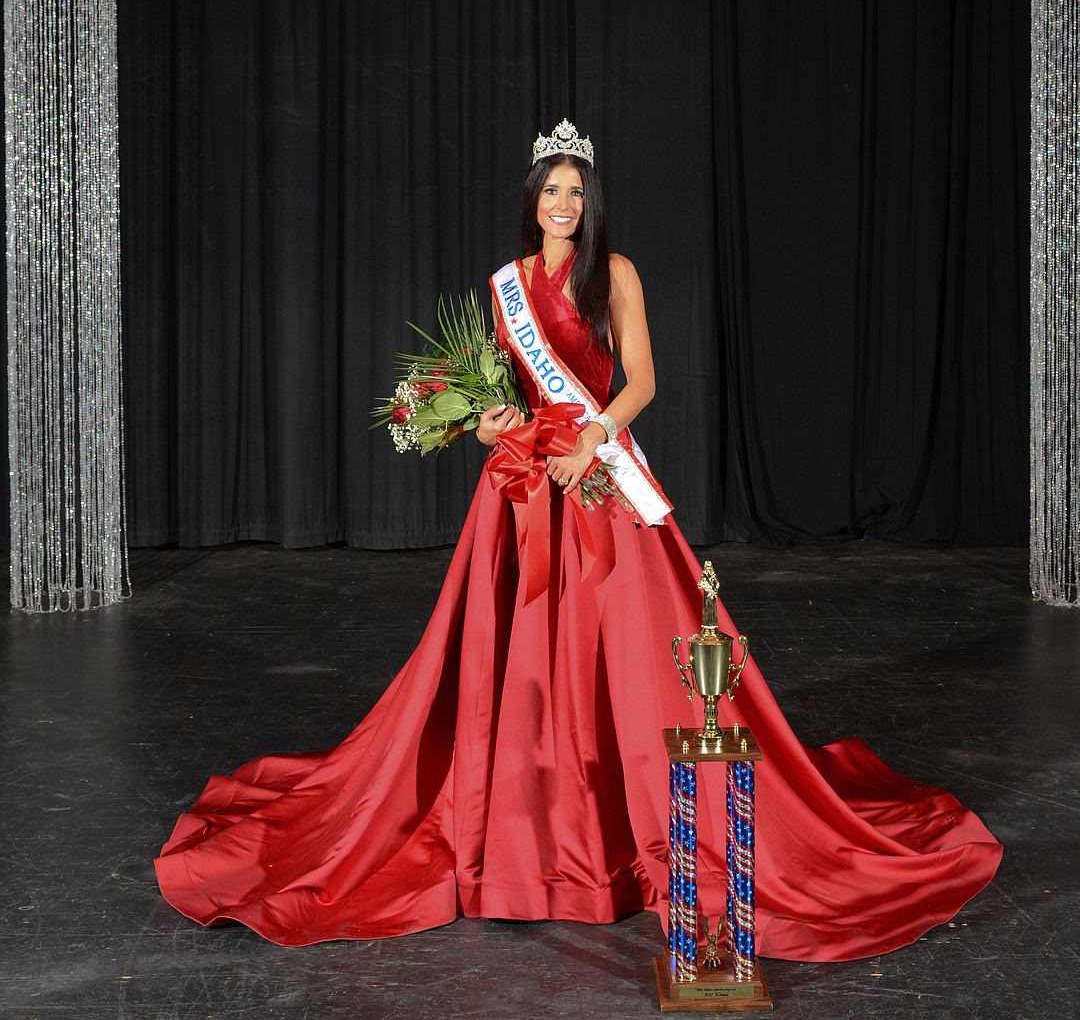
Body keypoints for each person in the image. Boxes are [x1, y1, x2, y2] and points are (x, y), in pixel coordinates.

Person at [155, 120, 1001, 958]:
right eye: (552, 191)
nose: (564, 203)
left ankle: (624, 836)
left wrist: (597, 436)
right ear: (534, 201)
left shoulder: (615, 273)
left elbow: (645, 381)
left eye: (577, 192)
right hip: (524, 485)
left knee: (629, 652)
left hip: (596, 475)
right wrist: (483, 428)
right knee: (515, 657)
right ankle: (523, 842)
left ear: (591, 203)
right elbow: (496, 387)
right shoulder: (508, 286)